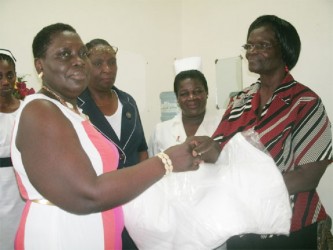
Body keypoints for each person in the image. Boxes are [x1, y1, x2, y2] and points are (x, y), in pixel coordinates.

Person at [10, 23, 210, 250]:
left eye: (82, 54)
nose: (78, 61)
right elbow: (88, 193)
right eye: (64, 54)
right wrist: (166, 161)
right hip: (63, 236)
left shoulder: (72, 111)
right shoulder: (41, 111)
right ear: (40, 65)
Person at [210, 15, 332, 249]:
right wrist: (201, 148)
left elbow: (308, 176)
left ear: (284, 50)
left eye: (262, 45)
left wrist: (246, 188)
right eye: (249, 45)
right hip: (243, 225)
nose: (252, 51)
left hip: (291, 227)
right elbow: (218, 149)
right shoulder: (239, 101)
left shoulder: (305, 102)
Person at [78, 38, 148, 249]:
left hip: (135, 200)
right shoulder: (76, 107)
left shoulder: (128, 102)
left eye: (112, 62)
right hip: (100, 202)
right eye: (98, 63)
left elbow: (141, 149)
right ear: (85, 65)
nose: (107, 69)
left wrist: (145, 191)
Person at [149, 63, 222, 156]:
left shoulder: (222, 125)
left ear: (207, 93)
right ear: (177, 97)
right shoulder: (161, 131)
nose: (191, 97)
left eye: (197, 91)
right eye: (184, 94)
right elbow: (155, 166)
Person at [0, 49, 26, 250]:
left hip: (23, 190)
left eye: (10, 75)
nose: (5, 81)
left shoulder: (27, 110)